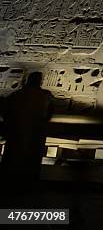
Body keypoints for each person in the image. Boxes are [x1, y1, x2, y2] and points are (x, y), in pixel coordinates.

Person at [0, 71, 54, 205]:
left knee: (14, 159)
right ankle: (27, 188)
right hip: (34, 133)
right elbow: (50, 112)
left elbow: (5, 111)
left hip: (17, 133)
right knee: (31, 160)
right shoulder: (45, 95)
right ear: (39, 82)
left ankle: (11, 188)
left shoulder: (16, 95)